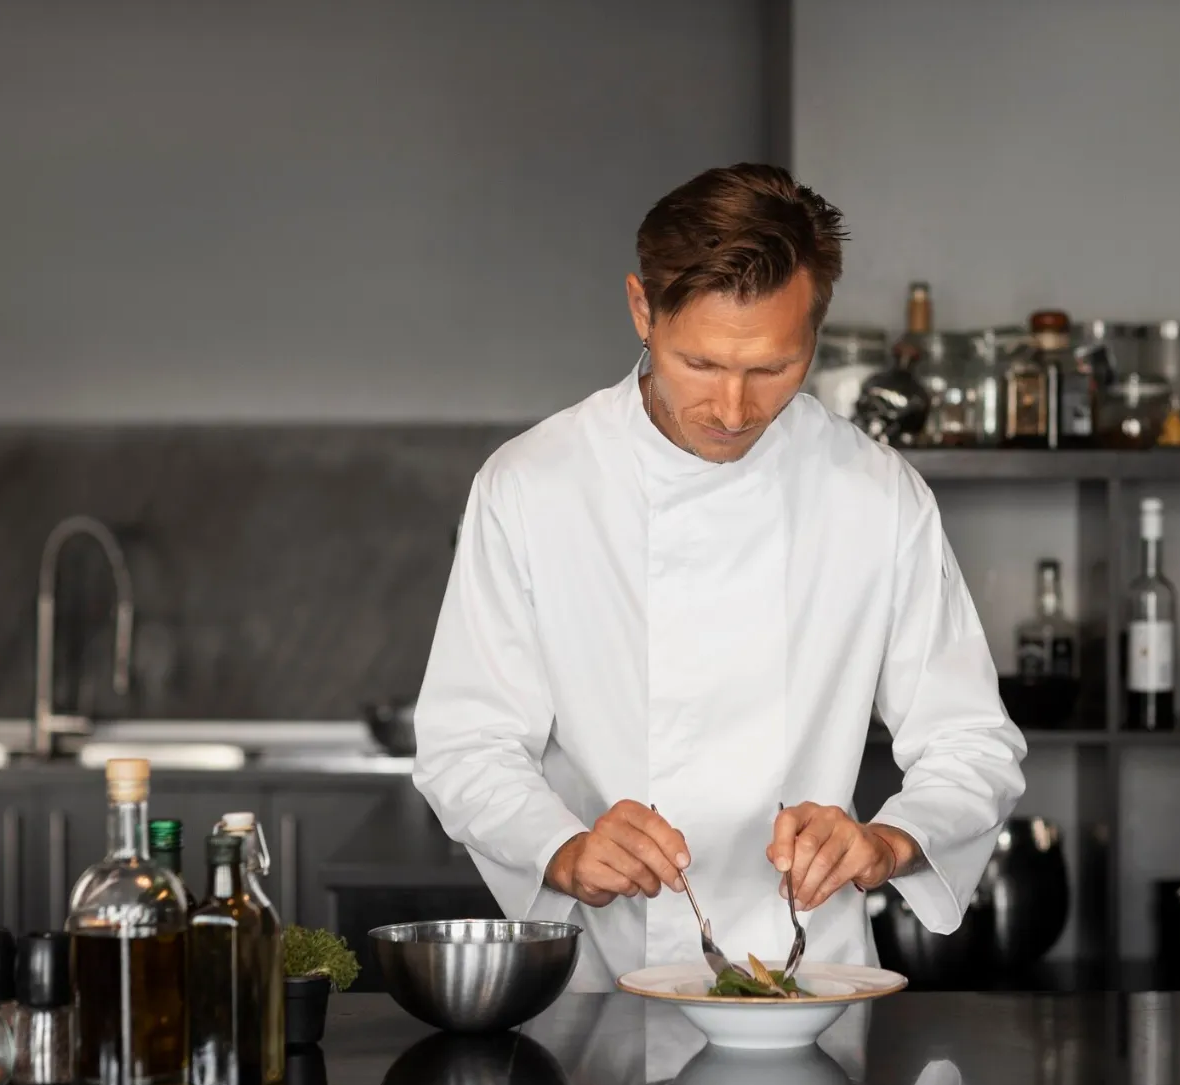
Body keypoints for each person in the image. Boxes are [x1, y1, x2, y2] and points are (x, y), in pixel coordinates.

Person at [412, 163, 1027, 992]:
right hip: (594, 980)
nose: (735, 409)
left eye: (773, 368)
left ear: (815, 331)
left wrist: (886, 842)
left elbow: (971, 744)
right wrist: (560, 849)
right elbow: (467, 743)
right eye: (700, 364)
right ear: (642, 310)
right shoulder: (532, 485)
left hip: (815, 978)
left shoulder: (877, 496)